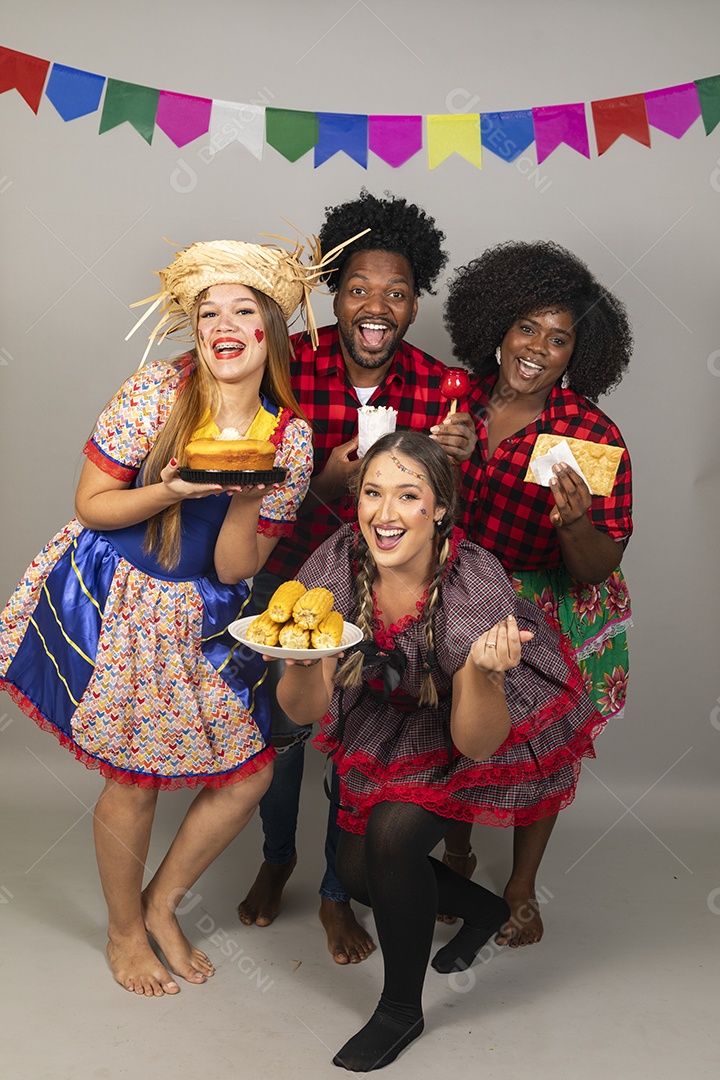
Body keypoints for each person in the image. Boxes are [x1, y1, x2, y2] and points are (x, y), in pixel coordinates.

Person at [0, 232, 366, 996]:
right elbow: (92, 505)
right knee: (133, 781)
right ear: (195, 329)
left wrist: (245, 495)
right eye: (208, 313)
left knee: (249, 775)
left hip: (203, 611)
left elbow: (234, 569)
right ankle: (123, 931)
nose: (224, 325)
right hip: (118, 594)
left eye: (242, 310)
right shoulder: (157, 393)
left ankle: (161, 904)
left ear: (270, 328)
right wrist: (171, 488)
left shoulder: (291, 437)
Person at [273, 430, 607, 1071]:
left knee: (392, 839)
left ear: (441, 508)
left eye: (408, 495)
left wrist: (483, 673)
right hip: (387, 714)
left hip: (479, 719)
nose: (385, 513)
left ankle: (401, 1010)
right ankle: (484, 912)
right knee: (356, 873)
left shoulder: (471, 585)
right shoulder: (337, 560)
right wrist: (301, 660)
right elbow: (304, 710)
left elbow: (476, 743)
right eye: (373, 493)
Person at [237, 190, 483, 965]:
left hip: (385, 602)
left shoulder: (442, 389)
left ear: (415, 304)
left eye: (396, 292)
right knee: (281, 734)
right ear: (334, 296)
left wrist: (458, 461)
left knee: (357, 745)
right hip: (286, 580)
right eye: (359, 289)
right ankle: (277, 856)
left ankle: (335, 894)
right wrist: (322, 485)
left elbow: (450, 515)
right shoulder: (285, 364)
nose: (376, 307)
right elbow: (247, 481)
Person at [441, 239, 633, 946]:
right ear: (500, 326)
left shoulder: (586, 434)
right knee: (455, 724)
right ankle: (456, 854)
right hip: (465, 587)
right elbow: (420, 509)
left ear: (576, 355)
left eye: (559, 339)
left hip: (548, 602)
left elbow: (595, 567)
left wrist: (576, 524)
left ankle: (521, 884)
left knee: (541, 746)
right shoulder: (457, 401)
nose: (537, 349)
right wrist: (443, 463)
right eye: (528, 328)